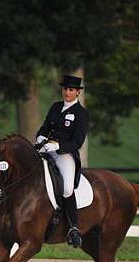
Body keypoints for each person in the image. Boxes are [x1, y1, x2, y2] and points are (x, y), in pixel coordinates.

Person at [35, 74, 88, 248]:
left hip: (65, 154)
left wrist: (57, 146)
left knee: (66, 187)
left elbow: (77, 142)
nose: (67, 92)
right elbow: (45, 127)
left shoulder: (81, 114)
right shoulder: (56, 107)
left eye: (71, 90)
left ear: (78, 92)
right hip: (46, 148)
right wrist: (41, 137)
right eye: (65, 89)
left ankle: (73, 227)